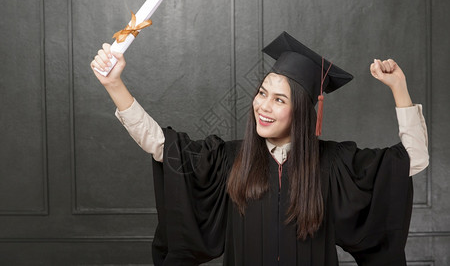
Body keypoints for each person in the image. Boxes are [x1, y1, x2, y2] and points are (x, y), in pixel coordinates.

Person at [90, 31, 429, 265]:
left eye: (279, 99)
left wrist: (399, 87)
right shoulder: (229, 160)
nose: (263, 106)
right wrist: (114, 85)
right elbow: (161, 145)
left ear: (301, 111)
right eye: (262, 93)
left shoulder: (335, 164)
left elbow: (414, 159)